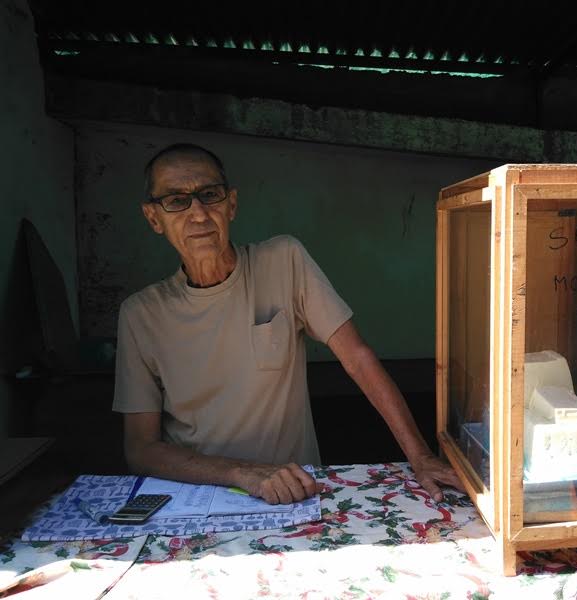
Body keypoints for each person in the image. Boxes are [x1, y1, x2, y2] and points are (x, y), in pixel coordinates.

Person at [113, 143, 462, 505]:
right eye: (175, 201)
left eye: (210, 195)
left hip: (294, 492)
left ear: (231, 204)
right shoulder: (141, 314)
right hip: (196, 499)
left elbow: (357, 357)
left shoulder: (284, 261)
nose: (198, 214)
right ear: (154, 218)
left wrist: (420, 456)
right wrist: (241, 472)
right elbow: (141, 448)